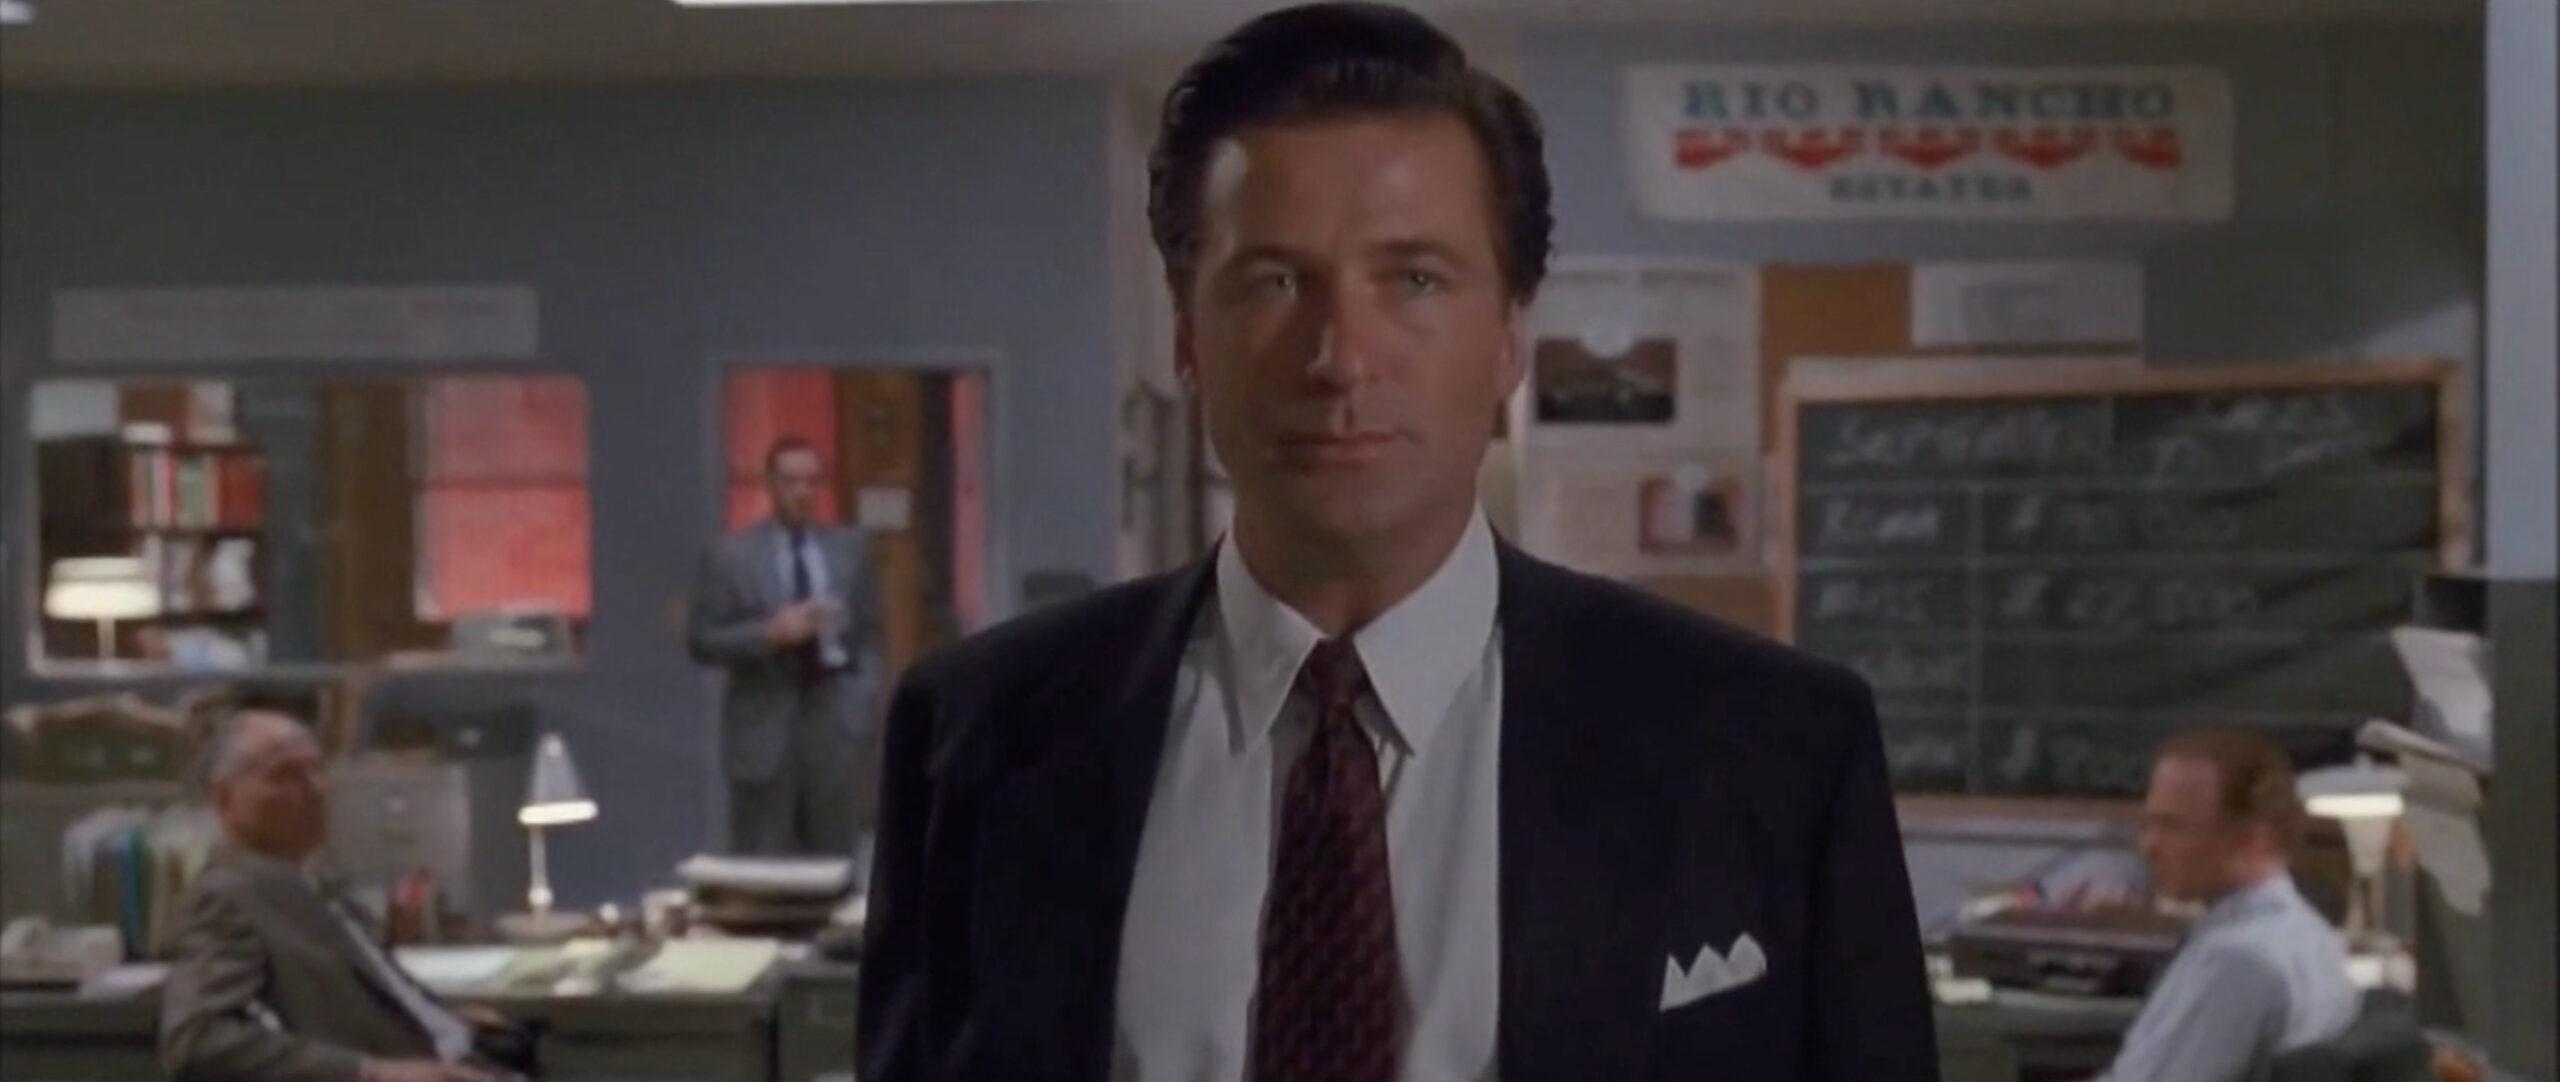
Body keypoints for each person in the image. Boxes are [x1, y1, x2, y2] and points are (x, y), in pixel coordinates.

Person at [854, 5, 1935, 1080]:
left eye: (1413, 278)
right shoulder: (976, 733)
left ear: (1508, 336)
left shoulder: (1771, 745)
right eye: (1273, 280)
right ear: (1188, 336)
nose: (1339, 355)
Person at [160, 708, 537, 1082]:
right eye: (286, 775)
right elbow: (197, 1041)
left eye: (317, 769)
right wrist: (373, 1073)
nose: (315, 789)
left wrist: (443, 1017)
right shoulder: (228, 897)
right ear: (225, 799)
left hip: (471, 1053)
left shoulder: (311, 882)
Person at [2089, 730, 2361, 1082]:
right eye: (2150, 823)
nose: (2148, 846)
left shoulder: (2235, 961)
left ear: (2250, 838)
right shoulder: (2314, 937)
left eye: (2172, 826)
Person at [687, 435, 884, 856]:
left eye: (812, 481)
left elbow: (869, 631)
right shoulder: (731, 556)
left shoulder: (849, 549)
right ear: (771, 485)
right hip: (764, 723)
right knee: (763, 861)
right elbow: (701, 640)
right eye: (792, 481)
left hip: (834, 719)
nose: (802, 492)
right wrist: (769, 633)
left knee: (835, 859)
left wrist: (863, 699)